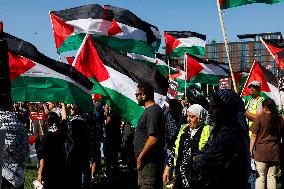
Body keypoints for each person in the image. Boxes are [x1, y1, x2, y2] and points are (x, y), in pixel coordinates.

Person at [192, 89, 250, 189]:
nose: (209, 111)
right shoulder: (220, 131)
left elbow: (206, 163)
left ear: (227, 110)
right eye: (209, 107)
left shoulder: (229, 135)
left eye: (214, 107)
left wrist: (196, 158)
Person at [163, 104, 211, 189]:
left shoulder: (208, 131)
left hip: (197, 176)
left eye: (192, 117)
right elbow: (175, 150)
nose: (188, 120)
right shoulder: (184, 129)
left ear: (200, 117)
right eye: (187, 116)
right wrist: (167, 168)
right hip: (180, 174)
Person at [133, 82, 165, 189]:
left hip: (150, 163)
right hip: (146, 163)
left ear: (144, 95)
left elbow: (153, 139)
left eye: (137, 94)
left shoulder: (153, 111)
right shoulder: (149, 110)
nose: (136, 97)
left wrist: (141, 156)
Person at [250, 98, 284, 189]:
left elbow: (254, 135)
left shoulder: (260, 118)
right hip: (275, 152)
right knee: (272, 177)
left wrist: (250, 151)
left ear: (265, 107)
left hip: (261, 152)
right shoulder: (280, 118)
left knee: (261, 177)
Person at [36, 111, 68, 189]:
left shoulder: (46, 138)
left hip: (49, 170)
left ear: (47, 122)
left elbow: (42, 158)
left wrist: (40, 174)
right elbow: (64, 119)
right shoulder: (62, 132)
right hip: (62, 167)